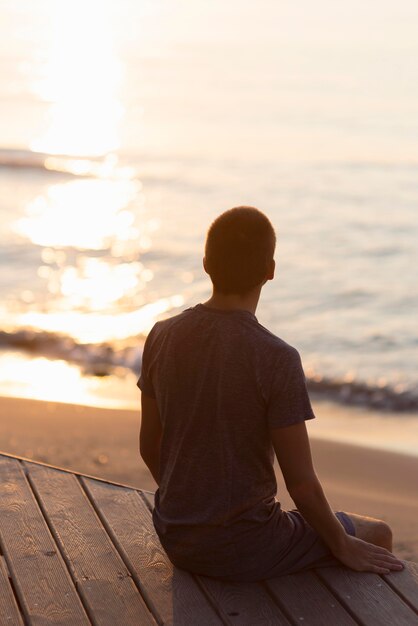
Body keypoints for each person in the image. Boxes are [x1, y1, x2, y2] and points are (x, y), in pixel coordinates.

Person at [138, 206, 404, 581]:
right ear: (270, 270)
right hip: (246, 545)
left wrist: (190, 507)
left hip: (174, 536)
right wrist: (343, 545)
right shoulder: (277, 358)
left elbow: (150, 446)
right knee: (378, 534)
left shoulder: (161, 335)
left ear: (205, 263)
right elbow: (302, 485)